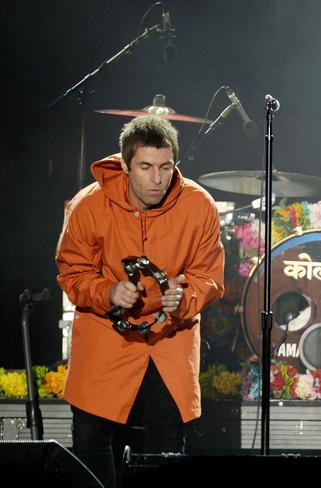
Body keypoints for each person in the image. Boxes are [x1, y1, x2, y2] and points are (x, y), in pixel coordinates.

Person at [56, 115, 225, 487]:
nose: (157, 178)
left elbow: (209, 275)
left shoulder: (199, 205)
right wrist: (108, 292)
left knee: (167, 441)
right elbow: (72, 271)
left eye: (166, 167)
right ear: (125, 164)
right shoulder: (89, 205)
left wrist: (184, 297)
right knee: (90, 437)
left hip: (170, 336)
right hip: (106, 330)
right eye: (146, 167)